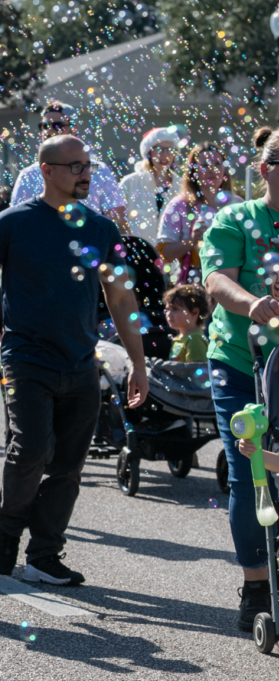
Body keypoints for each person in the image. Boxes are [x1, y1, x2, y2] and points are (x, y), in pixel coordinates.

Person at [0, 135, 148, 585]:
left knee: (68, 465)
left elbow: (122, 300)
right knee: (30, 449)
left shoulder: (102, 229)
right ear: (46, 171)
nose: (86, 174)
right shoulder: (12, 223)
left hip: (81, 362)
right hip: (26, 358)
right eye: (75, 166)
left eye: (88, 165)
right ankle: (7, 532)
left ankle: (44, 553)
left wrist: (140, 365)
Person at [200, 126, 279, 632]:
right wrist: (254, 304)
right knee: (255, 470)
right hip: (241, 363)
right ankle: (256, 586)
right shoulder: (236, 218)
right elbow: (215, 280)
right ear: (267, 170)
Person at [11, 101, 131, 234]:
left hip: (90, 245)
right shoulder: (29, 174)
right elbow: (17, 223)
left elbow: (118, 221)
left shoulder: (99, 170)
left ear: (74, 129)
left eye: (57, 125)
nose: (49, 131)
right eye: (44, 126)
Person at [158, 142, 241, 286]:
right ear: (193, 171)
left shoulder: (237, 204)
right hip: (193, 287)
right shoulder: (179, 205)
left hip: (232, 280)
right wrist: (191, 240)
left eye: (217, 164)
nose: (212, 170)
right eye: (205, 165)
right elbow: (165, 254)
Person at [120, 127, 182, 245]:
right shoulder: (129, 183)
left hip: (171, 258)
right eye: (159, 149)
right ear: (149, 152)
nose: (164, 155)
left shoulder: (182, 186)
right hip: (136, 256)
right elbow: (117, 221)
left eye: (170, 150)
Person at [163, 284, 209, 362]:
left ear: (194, 312)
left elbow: (196, 369)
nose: (169, 314)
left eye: (175, 309)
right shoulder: (179, 337)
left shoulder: (195, 339)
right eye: (168, 310)